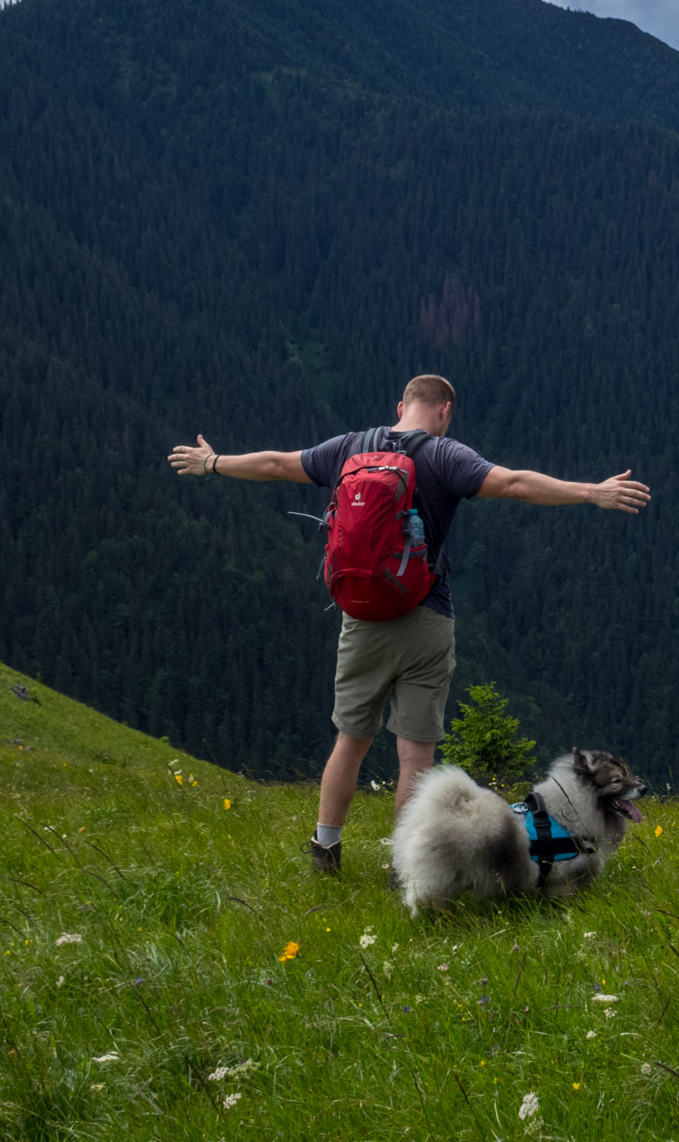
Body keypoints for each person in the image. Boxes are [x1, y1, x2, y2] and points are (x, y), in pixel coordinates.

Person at [168, 374, 650, 875]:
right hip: (426, 616)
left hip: (360, 617)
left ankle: (326, 848)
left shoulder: (350, 447)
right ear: (445, 412)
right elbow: (513, 482)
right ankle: (405, 864)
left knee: (350, 740)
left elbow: (275, 463)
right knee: (415, 754)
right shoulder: (444, 456)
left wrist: (213, 463)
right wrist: (591, 492)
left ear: (401, 405)